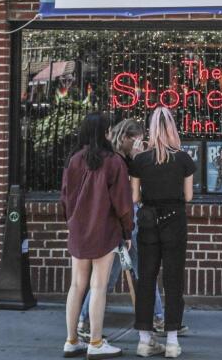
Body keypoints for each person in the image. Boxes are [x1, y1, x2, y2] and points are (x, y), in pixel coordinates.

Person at [77, 119, 169, 341]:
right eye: (136, 140)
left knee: (128, 273)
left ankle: (84, 319)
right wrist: (139, 160)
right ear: (126, 138)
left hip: (126, 223)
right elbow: (129, 191)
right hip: (126, 221)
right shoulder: (117, 159)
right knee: (133, 272)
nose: (139, 144)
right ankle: (158, 317)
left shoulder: (120, 157)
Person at [60, 113, 133, 359]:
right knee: (98, 287)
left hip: (78, 230)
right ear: (105, 133)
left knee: (76, 285)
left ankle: (71, 340)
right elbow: (123, 204)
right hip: (105, 230)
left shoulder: (74, 160)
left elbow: (65, 197)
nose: (111, 133)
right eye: (109, 130)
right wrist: (127, 230)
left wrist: (71, 222)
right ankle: (96, 342)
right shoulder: (114, 162)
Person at [131, 107, 196, 358]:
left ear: (151, 129)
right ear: (171, 128)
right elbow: (188, 197)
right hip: (174, 220)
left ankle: (144, 339)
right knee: (173, 280)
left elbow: (135, 198)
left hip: (148, 221)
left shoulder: (140, 161)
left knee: (146, 279)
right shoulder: (183, 159)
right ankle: (171, 341)